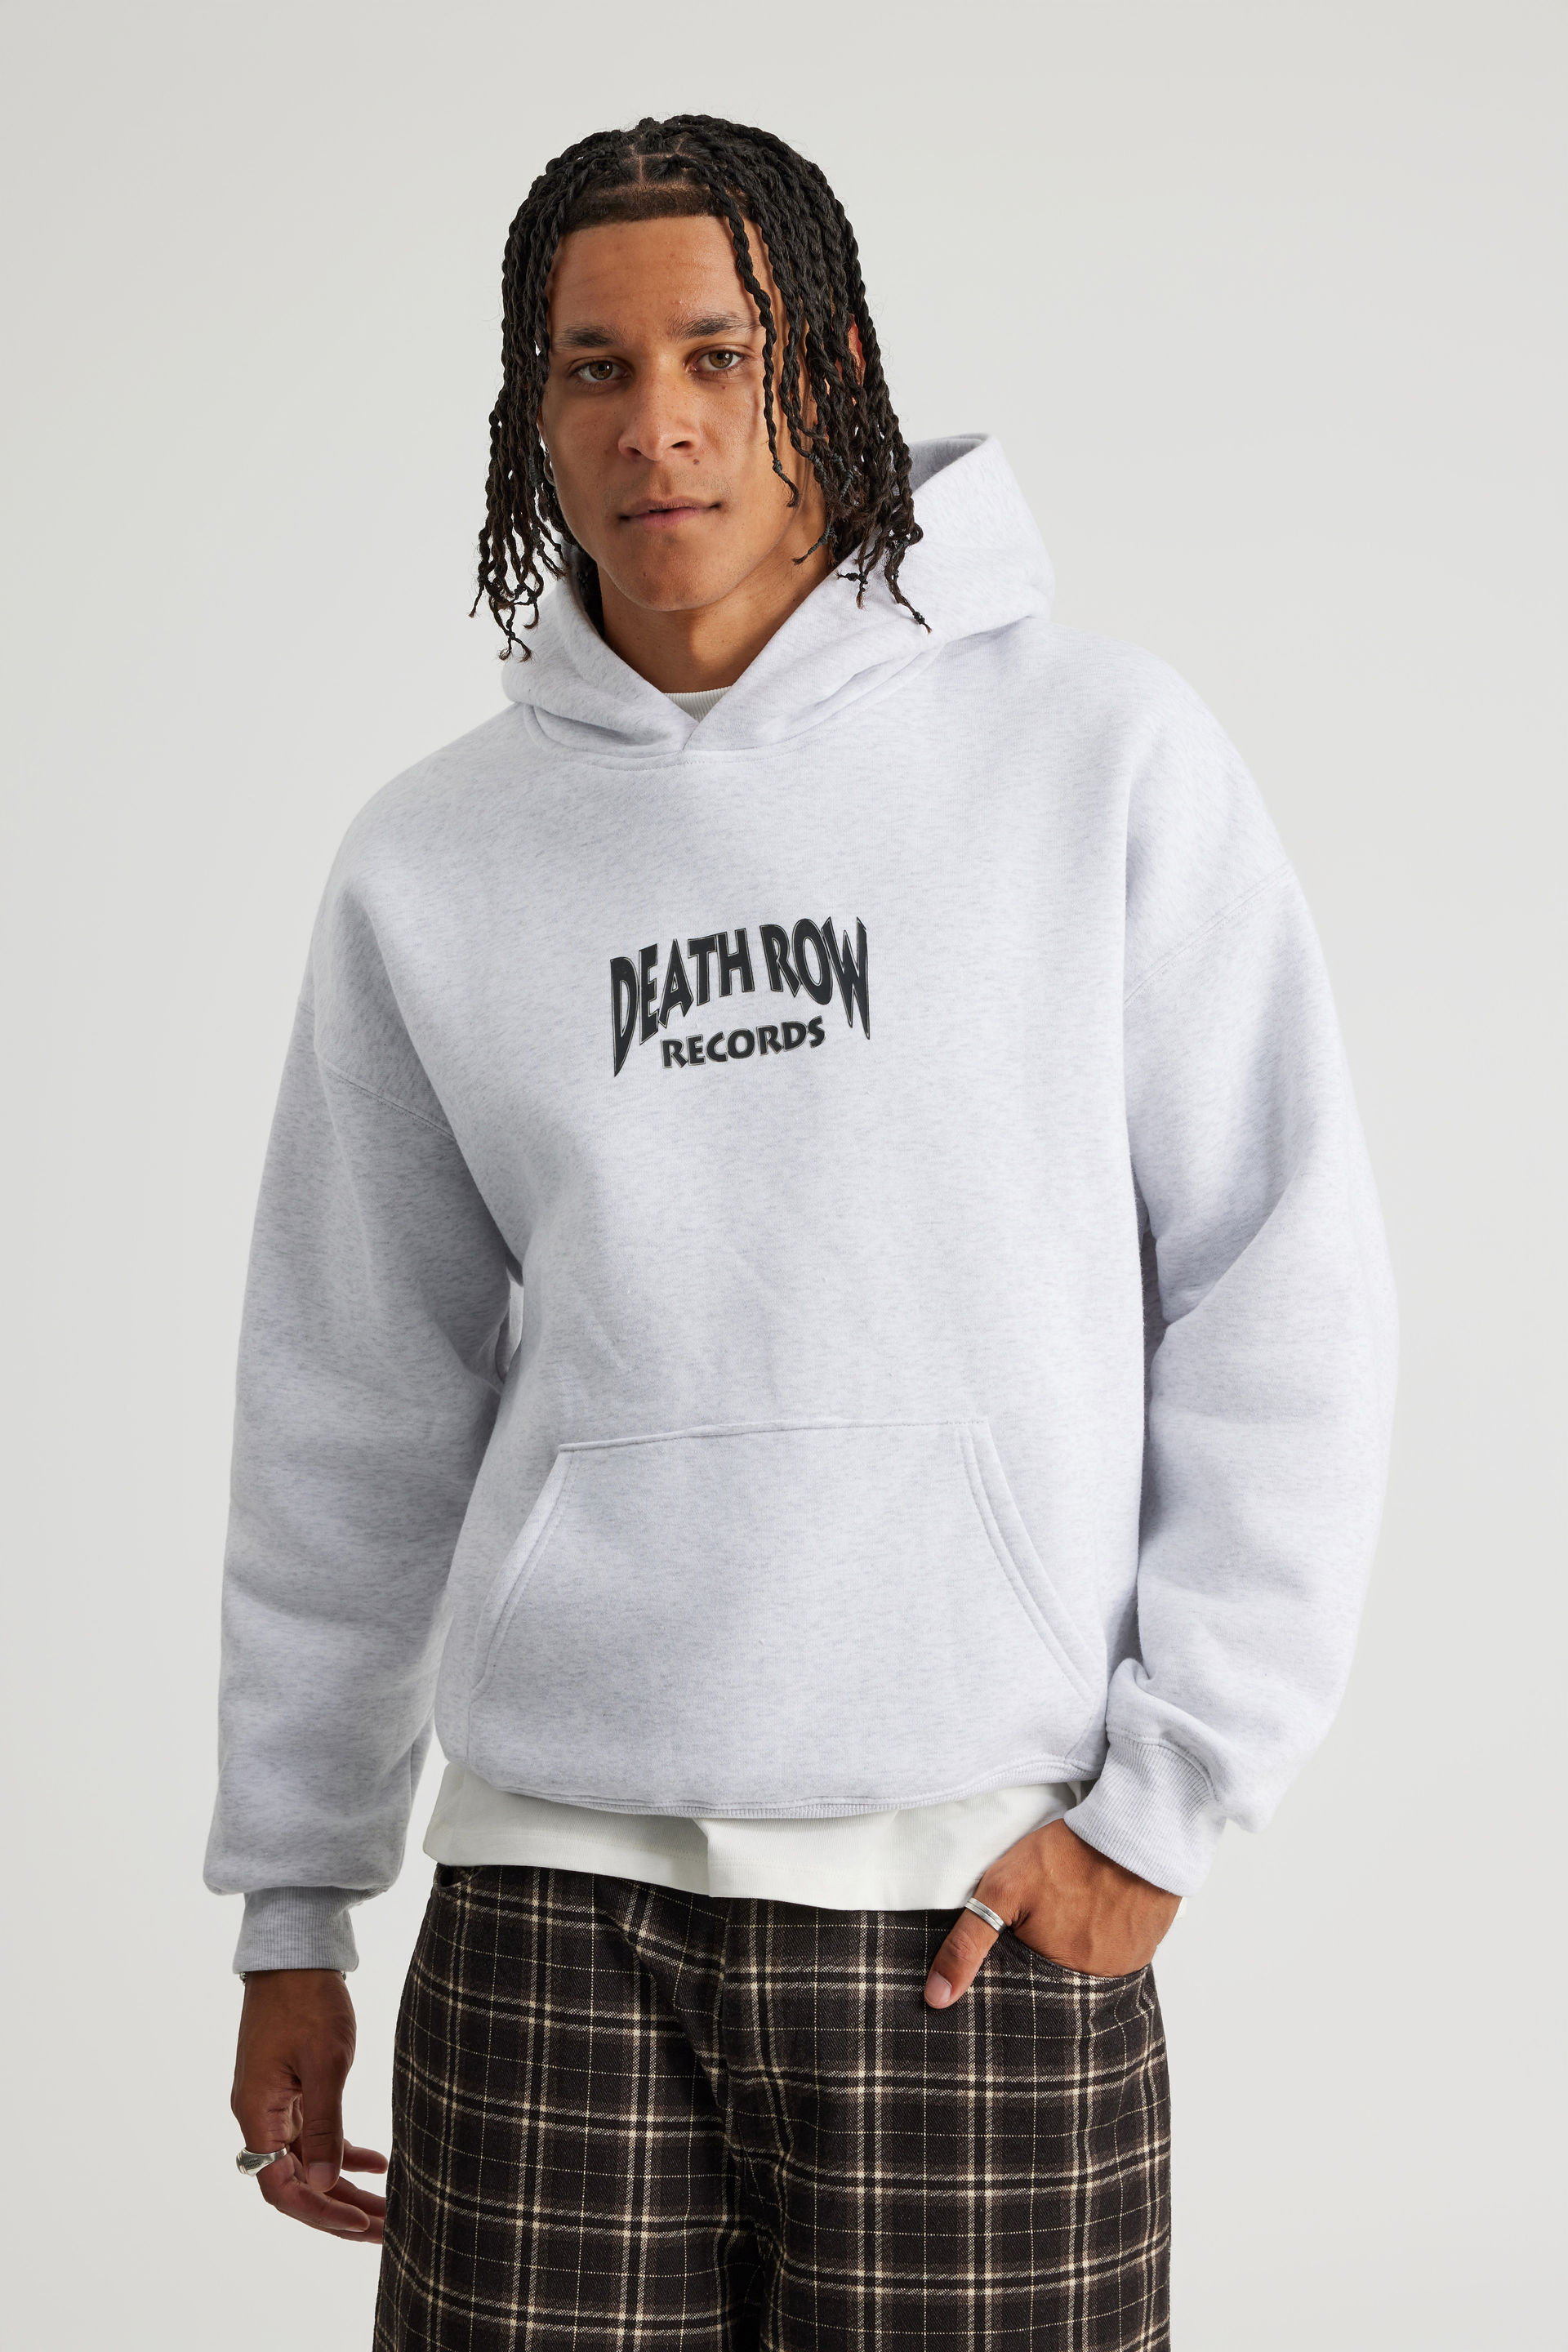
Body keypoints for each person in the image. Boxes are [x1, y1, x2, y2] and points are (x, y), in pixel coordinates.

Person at [210, 114, 1396, 2350]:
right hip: (546, 1908)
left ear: (828, 368)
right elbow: (350, 1400)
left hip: (977, 1911)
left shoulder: (1101, 757)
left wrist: (1168, 1805)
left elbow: (1281, 1283)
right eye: (592, 367)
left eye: (716, 355)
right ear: (531, 412)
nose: (654, 423)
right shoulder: (433, 864)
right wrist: (293, 1899)